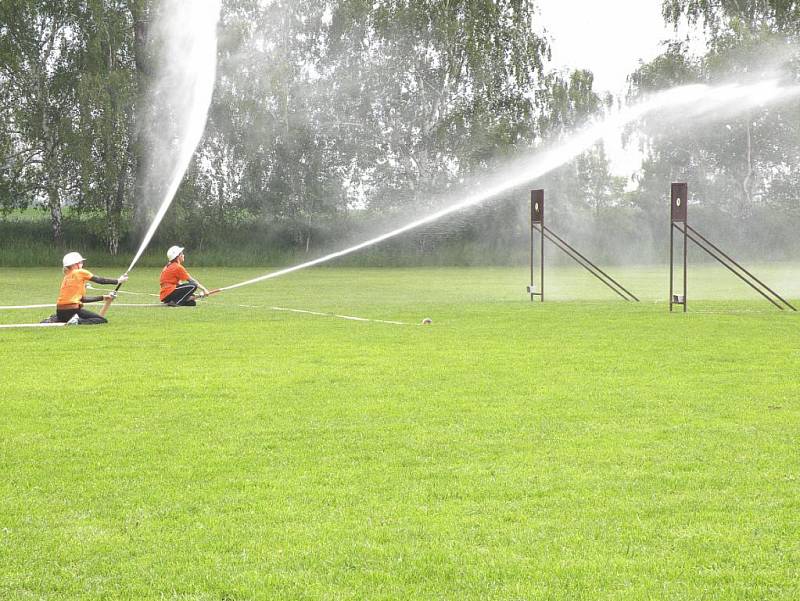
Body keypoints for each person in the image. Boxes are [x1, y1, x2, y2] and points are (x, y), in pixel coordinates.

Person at [53, 252, 128, 325]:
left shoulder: (66, 277)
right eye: (81, 262)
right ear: (74, 264)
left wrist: (103, 297)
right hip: (72, 310)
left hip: (60, 312)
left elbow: (82, 299)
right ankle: (77, 321)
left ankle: (56, 318)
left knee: (77, 317)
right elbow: (101, 280)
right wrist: (118, 280)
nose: (82, 264)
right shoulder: (80, 272)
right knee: (101, 320)